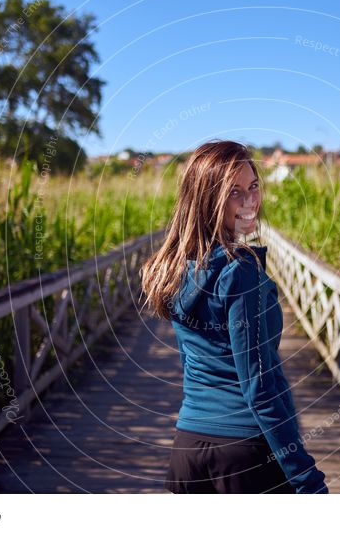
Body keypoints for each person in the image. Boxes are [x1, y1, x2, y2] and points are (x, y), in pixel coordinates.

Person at [140, 140, 328, 494]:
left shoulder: (179, 267)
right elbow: (259, 386)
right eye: (234, 192)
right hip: (243, 454)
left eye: (254, 187)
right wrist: (306, 478)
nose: (250, 201)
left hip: (189, 449)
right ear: (208, 199)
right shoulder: (240, 272)